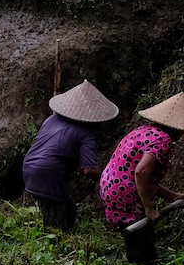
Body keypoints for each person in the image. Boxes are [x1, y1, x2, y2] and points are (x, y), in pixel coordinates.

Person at [99, 92, 184, 265]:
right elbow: (141, 173)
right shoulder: (162, 139)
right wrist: (148, 208)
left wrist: (171, 195)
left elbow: (143, 177)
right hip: (125, 190)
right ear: (178, 128)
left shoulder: (144, 130)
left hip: (112, 184)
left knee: (142, 232)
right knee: (140, 243)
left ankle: (140, 262)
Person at [21, 80, 118, 232]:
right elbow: (89, 170)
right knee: (56, 224)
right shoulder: (86, 134)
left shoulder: (51, 119)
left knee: (69, 211)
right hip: (48, 174)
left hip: (29, 167)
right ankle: (53, 247)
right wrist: (110, 181)